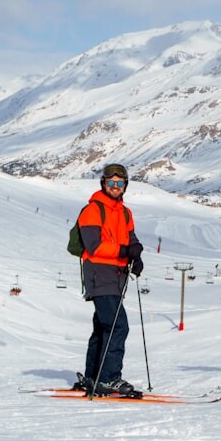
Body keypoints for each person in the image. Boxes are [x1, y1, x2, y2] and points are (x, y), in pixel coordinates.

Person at [73, 163, 145, 397]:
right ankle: (109, 378)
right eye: (111, 182)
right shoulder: (92, 210)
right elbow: (94, 246)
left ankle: (93, 377)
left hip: (117, 276)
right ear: (103, 183)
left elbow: (131, 239)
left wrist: (136, 255)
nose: (115, 186)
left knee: (105, 327)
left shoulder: (125, 213)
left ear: (125, 185)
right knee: (118, 325)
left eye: (119, 183)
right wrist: (124, 251)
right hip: (99, 273)